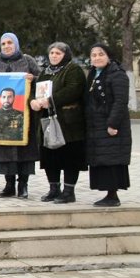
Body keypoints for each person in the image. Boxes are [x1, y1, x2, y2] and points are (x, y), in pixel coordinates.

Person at [30, 42, 87, 203]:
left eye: (58, 53)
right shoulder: (45, 72)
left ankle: (69, 191)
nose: (54, 56)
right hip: (47, 122)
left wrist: (50, 100)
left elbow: (72, 90)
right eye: (52, 53)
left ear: (65, 55)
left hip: (68, 123)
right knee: (50, 157)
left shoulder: (73, 69)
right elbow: (35, 90)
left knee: (69, 157)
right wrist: (33, 101)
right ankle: (53, 189)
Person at [0, 32, 40, 199]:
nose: (7, 46)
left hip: (24, 114)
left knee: (24, 151)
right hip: (2, 116)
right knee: (5, 151)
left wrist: (33, 78)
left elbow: (43, 79)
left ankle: (23, 184)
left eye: (10, 43)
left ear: (16, 44)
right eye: (3, 44)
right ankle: (9, 185)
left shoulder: (27, 60)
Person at [85, 44, 131, 207]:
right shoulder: (93, 74)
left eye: (101, 54)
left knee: (112, 159)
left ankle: (113, 196)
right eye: (94, 55)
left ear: (109, 56)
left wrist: (112, 123)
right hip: (96, 125)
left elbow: (120, 102)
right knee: (103, 159)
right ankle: (108, 194)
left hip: (111, 125)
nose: (97, 57)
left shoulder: (117, 74)